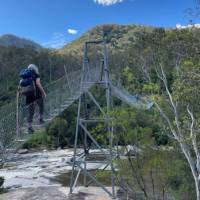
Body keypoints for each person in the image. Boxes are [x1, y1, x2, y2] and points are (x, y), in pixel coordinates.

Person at [26, 64, 46, 133]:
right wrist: (43, 92)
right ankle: (40, 118)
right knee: (41, 105)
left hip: (28, 96)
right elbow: (38, 83)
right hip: (37, 95)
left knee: (30, 112)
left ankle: (29, 128)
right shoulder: (36, 75)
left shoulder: (25, 76)